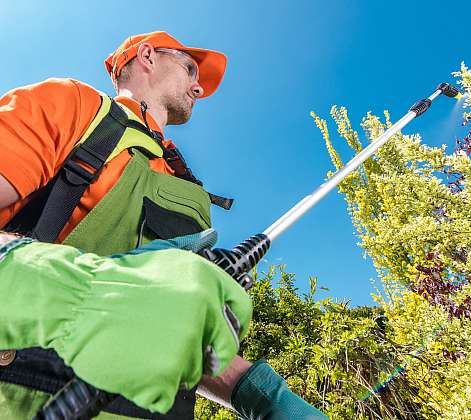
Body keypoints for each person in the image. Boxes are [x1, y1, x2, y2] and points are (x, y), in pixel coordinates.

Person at [0, 32, 326, 419]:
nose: (199, 85)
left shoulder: (187, 190)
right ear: (147, 56)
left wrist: (258, 395)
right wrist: (81, 293)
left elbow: (179, 336)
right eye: (189, 67)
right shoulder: (72, 106)